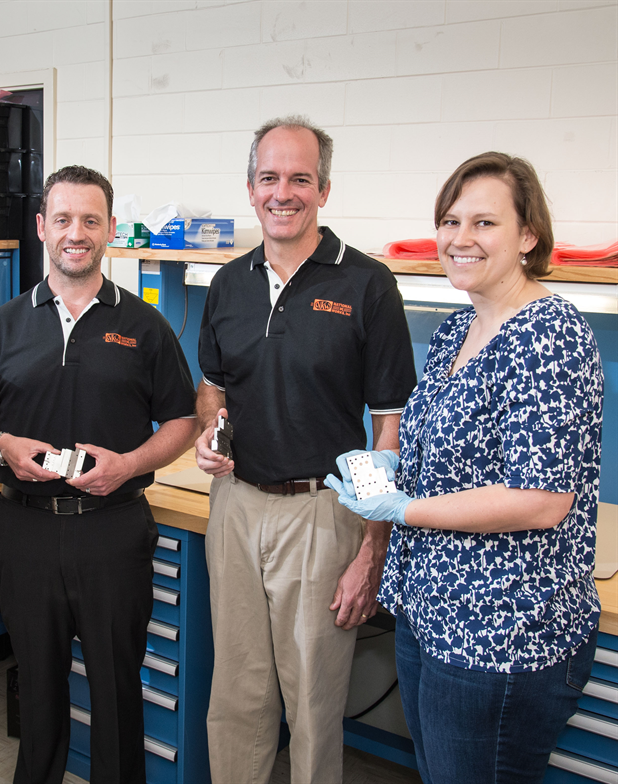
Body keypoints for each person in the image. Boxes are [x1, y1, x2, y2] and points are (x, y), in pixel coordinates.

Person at [327, 152, 604, 784]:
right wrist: (390, 464)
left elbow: (540, 500)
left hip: (501, 631)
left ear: (528, 236)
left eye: (484, 223)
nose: (460, 239)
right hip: (432, 614)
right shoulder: (460, 326)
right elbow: (446, 451)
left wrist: (402, 509)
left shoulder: (549, 336)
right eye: (450, 222)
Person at [0, 165, 197, 784]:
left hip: (113, 530)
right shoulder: (4, 324)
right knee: (36, 685)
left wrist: (131, 465)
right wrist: (3, 445)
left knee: (117, 686)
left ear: (110, 229)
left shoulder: (146, 326)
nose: (76, 233)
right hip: (24, 529)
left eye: (90, 220)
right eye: (62, 219)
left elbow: (181, 422)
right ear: (41, 228)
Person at [194, 115, 418, 783]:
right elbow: (211, 388)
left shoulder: (367, 285)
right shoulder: (227, 283)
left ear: (324, 190)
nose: (282, 192)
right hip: (234, 507)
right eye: (269, 178)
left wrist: (371, 550)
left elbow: (388, 430)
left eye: (300, 178)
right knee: (234, 694)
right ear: (250, 187)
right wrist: (211, 431)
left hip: (323, 513)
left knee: (314, 707)